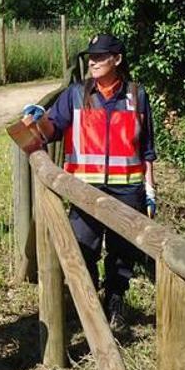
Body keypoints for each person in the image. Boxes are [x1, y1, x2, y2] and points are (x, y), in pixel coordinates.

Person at [22, 34, 159, 330]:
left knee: (123, 255)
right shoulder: (75, 95)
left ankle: (115, 304)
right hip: (85, 191)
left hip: (127, 191)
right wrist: (35, 122)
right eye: (91, 57)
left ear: (117, 60)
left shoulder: (137, 96)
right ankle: (88, 301)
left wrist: (150, 190)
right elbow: (51, 129)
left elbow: (147, 149)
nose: (93, 62)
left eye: (100, 57)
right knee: (83, 248)